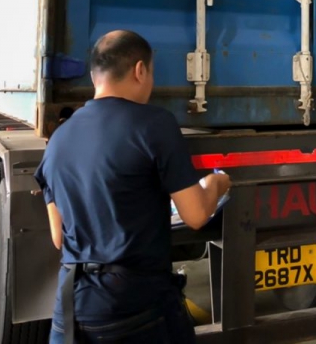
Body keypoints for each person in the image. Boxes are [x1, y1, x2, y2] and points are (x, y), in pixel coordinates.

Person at [34, 30, 231, 344]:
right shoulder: (154, 124)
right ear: (140, 70)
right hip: (133, 310)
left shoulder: (57, 140)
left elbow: (59, 237)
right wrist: (215, 184)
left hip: (70, 313)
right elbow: (195, 215)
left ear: (94, 75)